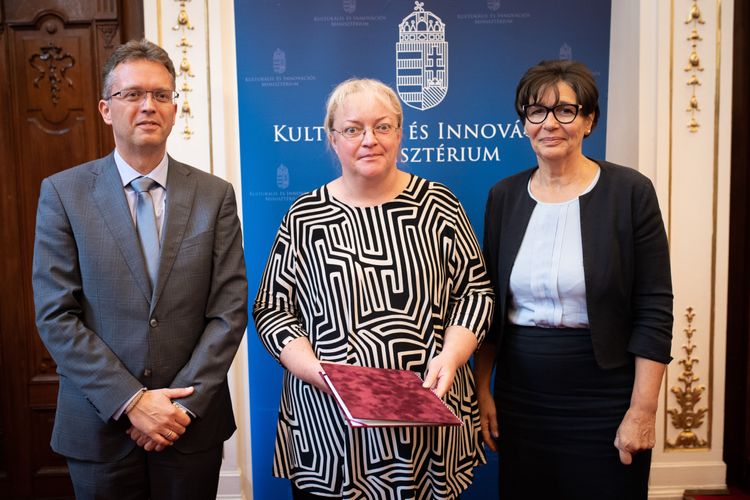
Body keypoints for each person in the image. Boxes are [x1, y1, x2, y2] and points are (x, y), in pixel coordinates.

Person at [253, 78, 494, 500]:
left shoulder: (440, 205)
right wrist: (319, 373)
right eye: (353, 129)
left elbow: (475, 293)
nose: (370, 140)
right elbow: (273, 309)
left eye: (383, 126)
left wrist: (453, 356)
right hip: (328, 428)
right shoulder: (305, 215)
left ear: (400, 133)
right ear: (333, 139)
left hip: (427, 430)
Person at [31, 38, 248, 499]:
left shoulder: (215, 196)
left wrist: (179, 407)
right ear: (106, 109)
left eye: (161, 95)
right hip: (99, 428)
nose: (148, 105)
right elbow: (56, 315)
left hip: (189, 426)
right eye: (132, 94)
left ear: (174, 108)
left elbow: (229, 311)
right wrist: (131, 401)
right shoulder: (64, 194)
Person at [474, 60, 673, 499]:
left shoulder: (630, 192)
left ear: (589, 120)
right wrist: (482, 390)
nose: (549, 124)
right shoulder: (504, 196)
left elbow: (654, 309)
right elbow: (489, 305)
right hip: (522, 395)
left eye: (565, 110)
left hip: (606, 396)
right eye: (536, 111)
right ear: (524, 122)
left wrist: (643, 410)